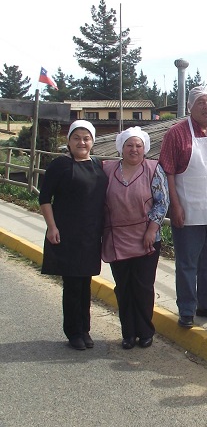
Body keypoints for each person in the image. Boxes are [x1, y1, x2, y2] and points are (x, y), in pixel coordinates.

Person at [159, 86, 207, 328]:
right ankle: (186, 309)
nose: (206, 107)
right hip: (188, 210)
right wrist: (174, 206)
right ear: (190, 106)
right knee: (187, 263)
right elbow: (167, 172)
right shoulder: (176, 134)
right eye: (201, 102)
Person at [39, 120, 108, 350]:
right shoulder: (60, 165)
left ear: (92, 141)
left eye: (86, 138)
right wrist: (52, 227)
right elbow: (44, 198)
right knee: (72, 284)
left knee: (85, 283)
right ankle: (73, 332)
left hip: (90, 233)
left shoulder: (98, 165)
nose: (81, 142)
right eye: (76, 137)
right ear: (69, 141)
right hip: (67, 232)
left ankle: (85, 329)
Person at [102, 127, 169, 349]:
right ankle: (128, 333)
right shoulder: (107, 169)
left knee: (143, 286)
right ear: (121, 148)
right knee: (124, 287)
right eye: (129, 145)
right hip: (117, 236)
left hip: (146, 236)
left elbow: (162, 202)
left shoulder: (153, 168)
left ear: (144, 148)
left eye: (138, 145)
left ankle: (145, 331)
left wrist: (151, 229)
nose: (134, 149)